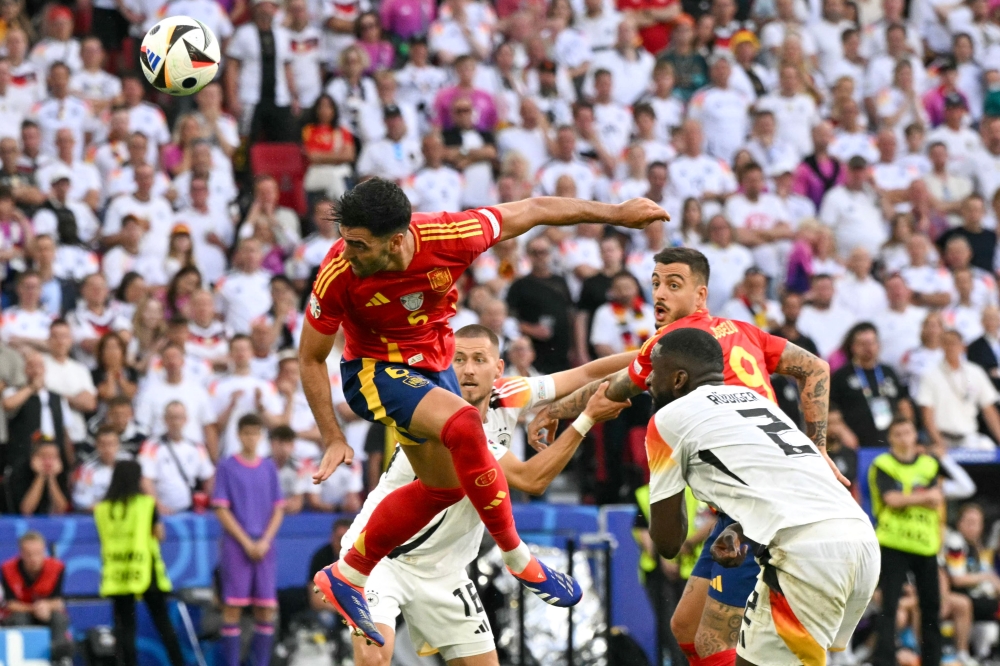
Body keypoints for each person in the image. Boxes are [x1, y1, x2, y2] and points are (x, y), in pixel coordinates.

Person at [301, 178, 666, 643]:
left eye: (358, 244)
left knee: (444, 488)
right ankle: (519, 559)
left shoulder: (451, 236)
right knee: (465, 423)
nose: (346, 251)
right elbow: (310, 356)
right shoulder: (338, 272)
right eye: (345, 240)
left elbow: (534, 207)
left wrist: (615, 213)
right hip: (373, 370)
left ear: (396, 240)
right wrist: (333, 435)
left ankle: (347, 573)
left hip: (431, 373)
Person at [528, 247, 840, 666]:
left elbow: (613, 389)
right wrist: (817, 447)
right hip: (751, 499)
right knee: (686, 627)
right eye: (655, 282)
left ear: (701, 295)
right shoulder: (742, 330)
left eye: (674, 284)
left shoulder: (668, 346)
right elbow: (816, 368)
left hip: (761, 506)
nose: (660, 293)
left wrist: (554, 410)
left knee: (720, 641)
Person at [344, 324, 632, 665]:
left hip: (446, 571)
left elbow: (587, 371)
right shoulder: (433, 413)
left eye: (479, 359)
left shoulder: (509, 393)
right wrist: (586, 419)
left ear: (498, 368)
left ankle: (518, 558)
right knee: (373, 658)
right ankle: (518, 558)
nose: (467, 369)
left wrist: (657, 351)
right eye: (459, 360)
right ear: (445, 367)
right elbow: (531, 479)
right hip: (383, 558)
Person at [643, 327, 878, 666]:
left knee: (715, 641)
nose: (648, 379)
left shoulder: (667, 419)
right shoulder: (758, 402)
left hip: (806, 554)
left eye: (656, 368)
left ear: (679, 378)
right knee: (691, 629)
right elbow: (784, 484)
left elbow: (667, 543)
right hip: (858, 540)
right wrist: (740, 528)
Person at [868, 417, 946, 666]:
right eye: (898, 434)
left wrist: (908, 498)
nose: (904, 438)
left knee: (932, 607)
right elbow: (891, 499)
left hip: (925, 544)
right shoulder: (883, 464)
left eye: (908, 432)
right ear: (891, 438)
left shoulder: (929, 464)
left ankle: (933, 660)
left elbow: (937, 498)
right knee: (889, 607)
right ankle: (884, 660)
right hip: (893, 543)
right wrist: (921, 497)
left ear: (915, 435)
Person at [94, 460, 184, 666]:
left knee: (125, 628)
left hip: (117, 572)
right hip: (145, 569)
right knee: (163, 623)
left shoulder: (102, 509)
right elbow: (159, 534)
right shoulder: (146, 504)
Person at [212, 413, 285, 666]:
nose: (251, 438)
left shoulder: (268, 467)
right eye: (246, 433)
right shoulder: (227, 466)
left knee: (265, 607)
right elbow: (221, 508)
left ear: (261, 436)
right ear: (239, 435)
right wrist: (246, 542)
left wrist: (265, 540)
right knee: (232, 607)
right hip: (237, 545)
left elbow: (278, 507)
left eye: (255, 433)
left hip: (265, 546)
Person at [830, 323, 914, 447]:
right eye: (863, 344)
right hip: (856, 444)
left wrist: (908, 431)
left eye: (871, 343)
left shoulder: (888, 372)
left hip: (892, 443)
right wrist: (843, 432)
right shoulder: (841, 376)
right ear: (853, 347)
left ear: (878, 345)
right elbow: (831, 408)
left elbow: (903, 403)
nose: (868, 348)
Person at [916, 329, 1000, 451]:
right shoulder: (930, 375)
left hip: (969, 438)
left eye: (954, 343)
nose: (951, 347)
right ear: (941, 346)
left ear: (963, 347)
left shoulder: (975, 372)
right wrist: (939, 443)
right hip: (942, 438)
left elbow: (989, 410)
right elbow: (927, 414)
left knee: (989, 450)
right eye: (946, 343)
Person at [0, 531, 73, 662]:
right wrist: (34, 609)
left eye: (38, 553)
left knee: (59, 618)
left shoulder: (57, 567)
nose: (34, 558)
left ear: (44, 551)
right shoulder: (7, 569)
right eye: (29, 554)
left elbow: (58, 601)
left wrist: (46, 606)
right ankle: (24, 659)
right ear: (21, 553)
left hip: (46, 613)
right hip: (21, 613)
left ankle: (59, 658)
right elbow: (10, 604)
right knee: (19, 619)